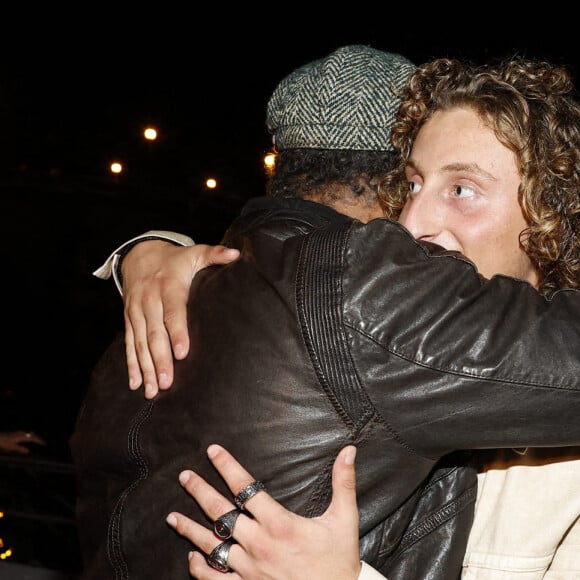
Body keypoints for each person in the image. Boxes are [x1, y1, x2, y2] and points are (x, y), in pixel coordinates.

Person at [71, 47, 580, 580]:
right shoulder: (389, 329)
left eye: (461, 189)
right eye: (409, 184)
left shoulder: (171, 306)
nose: (411, 223)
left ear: (551, 212)